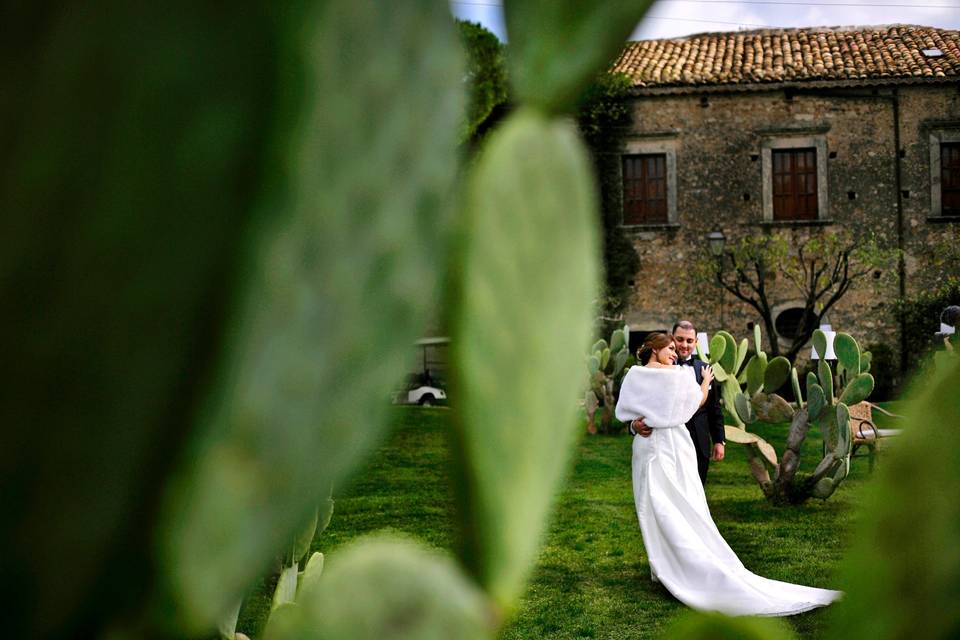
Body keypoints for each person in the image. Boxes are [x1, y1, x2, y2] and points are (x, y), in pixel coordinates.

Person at [616, 333, 841, 616]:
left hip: (662, 446)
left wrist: (637, 424)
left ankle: (676, 565)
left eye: (676, 348)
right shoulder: (677, 375)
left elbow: (626, 411)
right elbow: (693, 404)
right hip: (660, 446)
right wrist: (706, 385)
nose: (675, 353)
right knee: (662, 505)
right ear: (654, 349)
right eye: (671, 348)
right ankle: (665, 565)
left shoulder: (641, 375)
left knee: (666, 506)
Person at [631, 320, 725, 484]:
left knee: (697, 490)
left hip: (698, 443)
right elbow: (637, 403)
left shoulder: (705, 369)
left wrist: (719, 440)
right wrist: (633, 425)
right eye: (679, 339)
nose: (684, 345)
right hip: (666, 443)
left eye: (689, 341)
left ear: (696, 342)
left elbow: (714, 408)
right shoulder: (655, 368)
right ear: (671, 339)